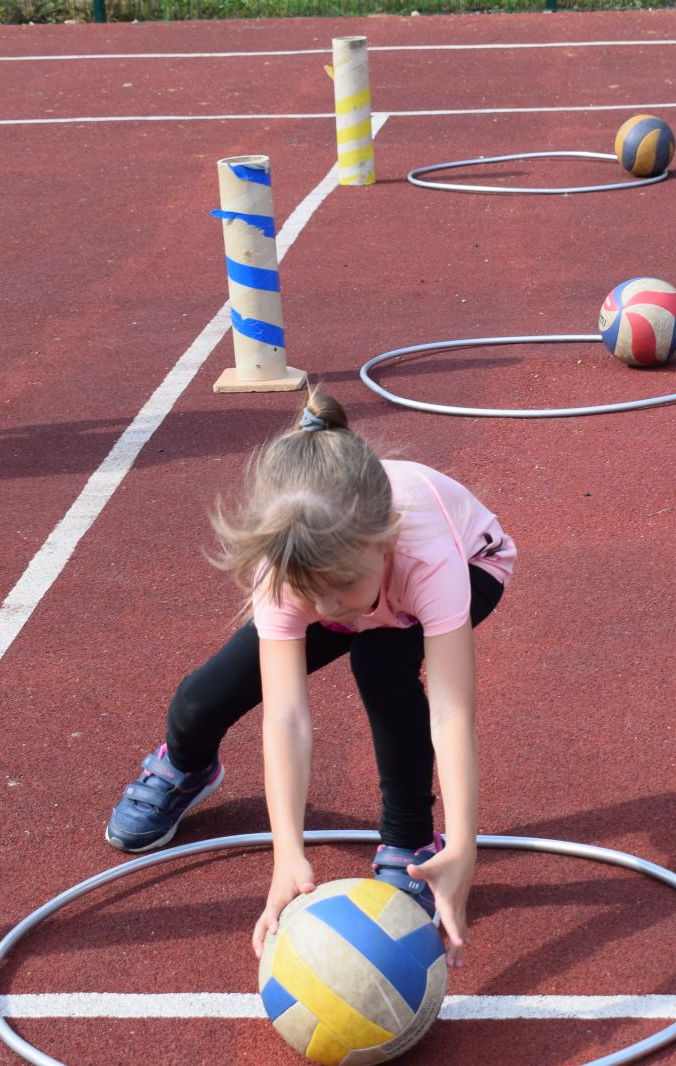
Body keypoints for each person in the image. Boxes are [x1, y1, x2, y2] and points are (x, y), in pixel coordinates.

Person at [105, 390, 516, 966]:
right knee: (201, 701)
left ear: (385, 544)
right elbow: (287, 717)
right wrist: (286, 854)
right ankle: (186, 766)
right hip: (358, 576)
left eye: (339, 595)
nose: (330, 609)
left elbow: (451, 712)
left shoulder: (428, 557)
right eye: (312, 597)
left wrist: (465, 844)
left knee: (381, 663)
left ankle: (410, 841)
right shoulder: (290, 568)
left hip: (474, 564)